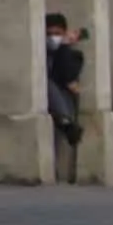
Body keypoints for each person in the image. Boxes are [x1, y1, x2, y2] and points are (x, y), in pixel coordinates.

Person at [44, 13, 83, 170]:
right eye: (49, 34)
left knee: (48, 84)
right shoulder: (41, 53)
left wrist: (63, 48)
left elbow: (67, 76)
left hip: (64, 103)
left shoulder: (74, 55)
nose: (53, 37)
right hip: (48, 104)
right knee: (44, 83)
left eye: (57, 34)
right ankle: (66, 123)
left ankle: (66, 121)